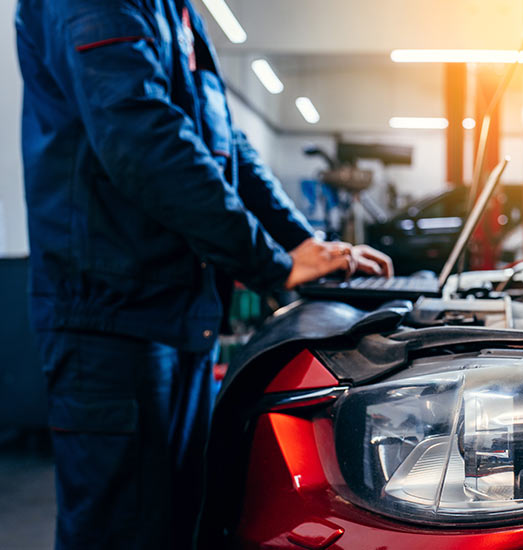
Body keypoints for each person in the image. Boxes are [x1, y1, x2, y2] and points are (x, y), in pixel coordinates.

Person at [15, 0, 393, 548]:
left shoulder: (174, 11)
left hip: (175, 315)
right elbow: (141, 136)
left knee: (177, 523)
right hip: (112, 321)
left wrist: (300, 243)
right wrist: (269, 261)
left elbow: (224, 146)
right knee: (119, 532)